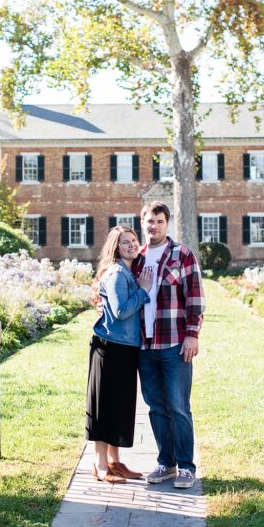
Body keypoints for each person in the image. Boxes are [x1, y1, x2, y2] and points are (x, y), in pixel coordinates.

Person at [132, 201, 205, 489]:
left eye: (159, 221)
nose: (154, 226)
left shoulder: (181, 255)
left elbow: (195, 298)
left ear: (167, 223)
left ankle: (187, 466)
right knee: (155, 407)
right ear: (143, 223)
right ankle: (166, 463)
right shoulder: (136, 258)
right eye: (150, 221)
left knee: (178, 406)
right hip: (144, 347)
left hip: (175, 344)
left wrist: (192, 334)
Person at [88, 226, 154, 482]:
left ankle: (115, 462)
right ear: (116, 247)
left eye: (134, 240)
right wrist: (143, 289)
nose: (132, 245)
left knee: (119, 406)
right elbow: (120, 311)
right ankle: (100, 465)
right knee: (105, 407)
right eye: (125, 242)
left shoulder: (127, 271)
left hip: (125, 348)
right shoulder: (117, 272)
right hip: (110, 348)